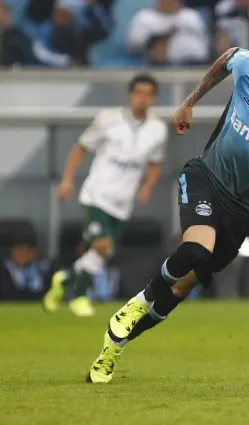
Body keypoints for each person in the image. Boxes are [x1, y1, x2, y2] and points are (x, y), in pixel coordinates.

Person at [86, 26, 249, 384]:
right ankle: (138, 301)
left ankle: (113, 347)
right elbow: (227, 57)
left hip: (243, 214)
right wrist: (190, 100)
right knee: (195, 251)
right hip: (207, 178)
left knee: (179, 289)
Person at [43, 74, 167, 317]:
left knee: (98, 252)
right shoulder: (107, 120)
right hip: (98, 193)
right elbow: (80, 147)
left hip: (123, 201)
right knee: (101, 246)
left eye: (148, 94)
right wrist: (67, 179)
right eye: (138, 92)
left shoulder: (158, 129)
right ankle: (79, 297)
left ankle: (64, 280)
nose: (142, 98)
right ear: (130, 95)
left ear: (153, 98)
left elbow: (155, 162)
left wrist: (147, 186)